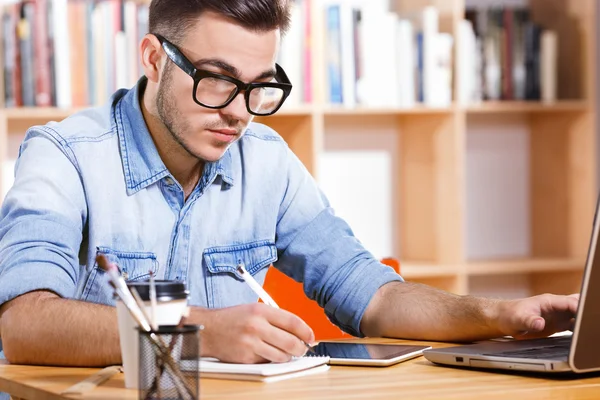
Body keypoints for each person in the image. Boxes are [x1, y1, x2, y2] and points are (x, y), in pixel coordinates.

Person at [0, 0, 578, 367]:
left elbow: (368, 293)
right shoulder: (64, 157)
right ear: (154, 57)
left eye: (258, 86)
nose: (239, 112)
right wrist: (200, 329)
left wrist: (497, 316)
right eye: (217, 80)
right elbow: (24, 324)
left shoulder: (266, 161)